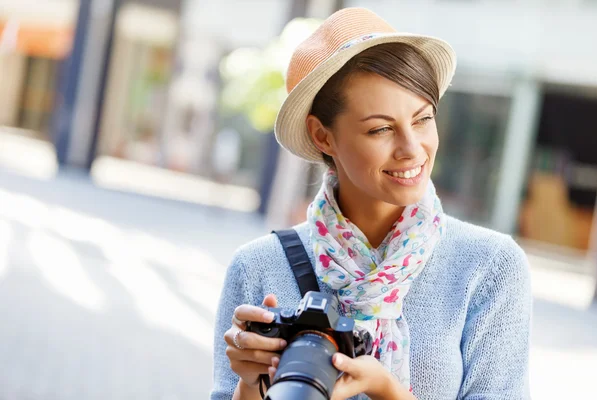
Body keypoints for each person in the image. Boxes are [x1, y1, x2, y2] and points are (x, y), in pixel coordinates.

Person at [211, 7, 531, 400]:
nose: (412, 149)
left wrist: (386, 389)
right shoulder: (258, 267)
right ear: (323, 136)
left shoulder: (489, 267)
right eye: (381, 129)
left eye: (422, 119)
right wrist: (249, 384)